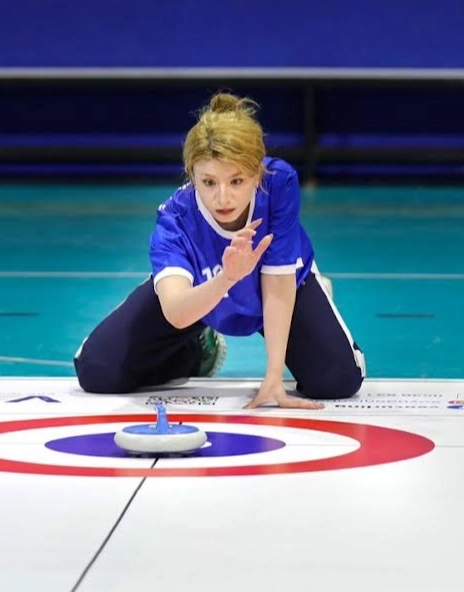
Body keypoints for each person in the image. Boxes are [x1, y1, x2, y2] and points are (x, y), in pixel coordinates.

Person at [74, 92, 366, 409]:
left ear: (257, 174)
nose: (223, 198)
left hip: (279, 286)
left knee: (337, 379)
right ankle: (197, 350)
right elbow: (176, 312)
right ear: (192, 175)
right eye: (209, 182)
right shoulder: (175, 219)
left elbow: (278, 280)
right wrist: (227, 277)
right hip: (200, 295)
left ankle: (315, 296)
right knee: (97, 371)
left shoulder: (279, 183)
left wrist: (273, 379)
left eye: (236, 181)